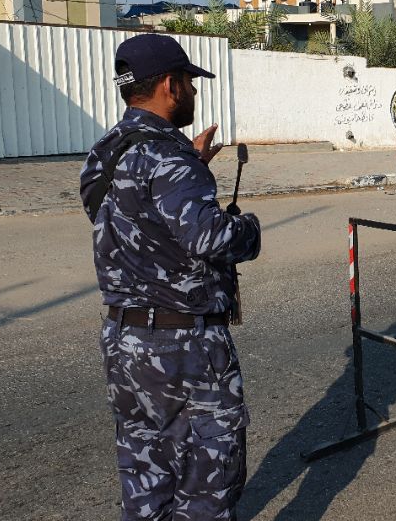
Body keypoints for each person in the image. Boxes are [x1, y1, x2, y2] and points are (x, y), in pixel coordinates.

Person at [79, 33, 261, 520]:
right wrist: (247, 230)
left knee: (145, 476)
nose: (195, 93)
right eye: (189, 83)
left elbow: (128, 219)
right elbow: (209, 238)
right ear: (167, 85)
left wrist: (190, 164)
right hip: (184, 347)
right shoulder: (170, 159)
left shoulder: (106, 152)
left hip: (125, 341)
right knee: (208, 482)